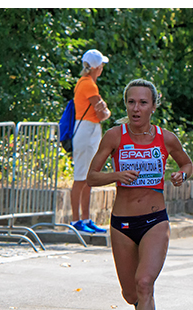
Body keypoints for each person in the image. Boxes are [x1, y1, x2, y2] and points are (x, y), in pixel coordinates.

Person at [83, 78, 193, 310]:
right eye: (131, 102)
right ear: (125, 105)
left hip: (155, 220)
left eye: (143, 102)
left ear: (153, 106)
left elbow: (187, 164)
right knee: (130, 292)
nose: (136, 108)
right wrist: (116, 174)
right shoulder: (114, 137)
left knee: (145, 283)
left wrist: (180, 176)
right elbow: (91, 176)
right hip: (122, 224)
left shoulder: (165, 138)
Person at [69, 50, 112, 234]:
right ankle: (76, 221)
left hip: (88, 130)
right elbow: (102, 113)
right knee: (81, 178)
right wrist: (106, 111)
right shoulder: (89, 85)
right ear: (96, 67)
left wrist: (104, 111)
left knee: (87, 178)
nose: (102, 68)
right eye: (101, 65)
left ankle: (84, 219)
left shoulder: (84, 83)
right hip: (87, 131)